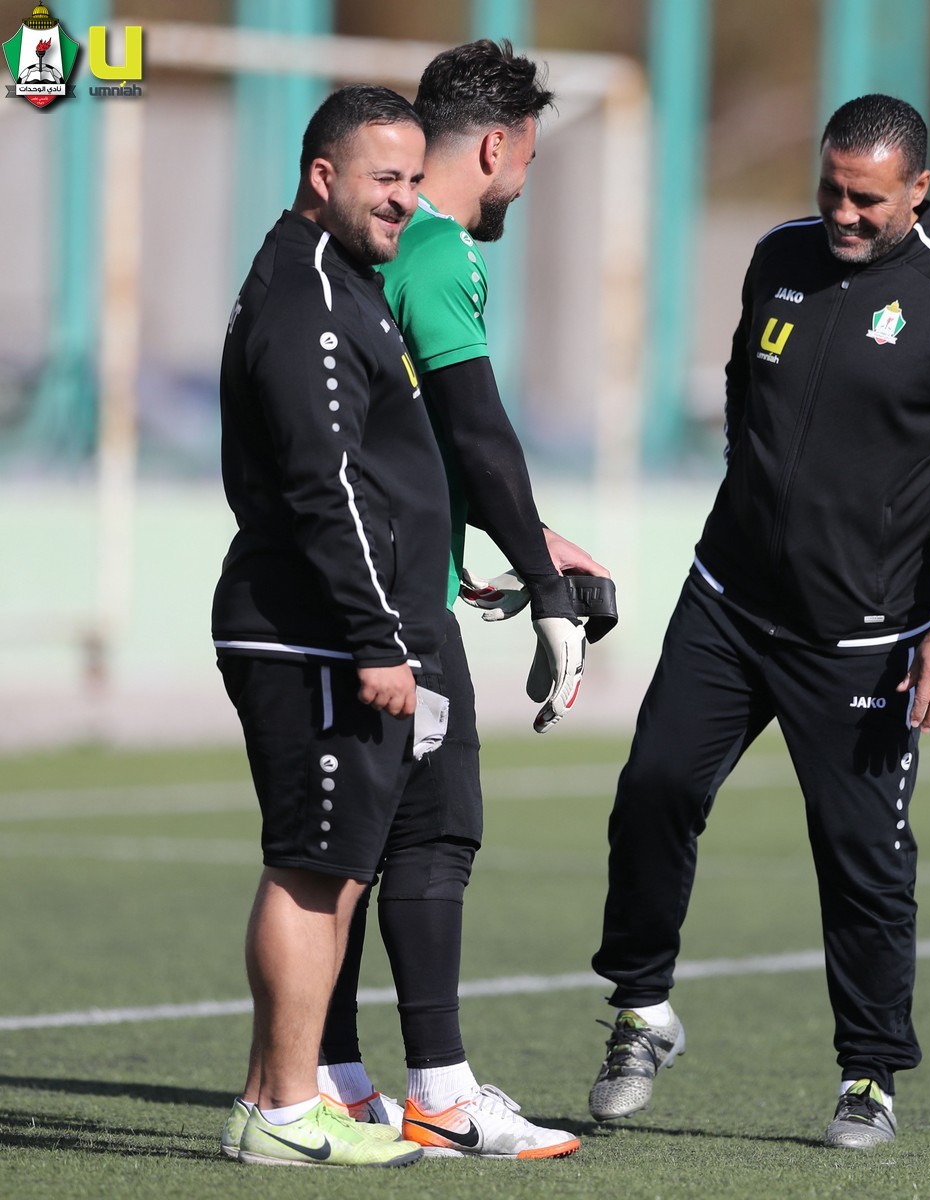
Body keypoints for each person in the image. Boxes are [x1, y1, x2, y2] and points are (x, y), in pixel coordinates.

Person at [586, 94, 930, 1149]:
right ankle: (641, 1010)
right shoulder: (778, 255)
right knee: (654, 786)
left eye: (866, 199)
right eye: (830, 189)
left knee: (860, 855)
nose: (842, 213)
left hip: (865, 643)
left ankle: (868, 1075)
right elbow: (747, 394)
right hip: (728, 602)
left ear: (917, 189)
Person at [313, 41, 609, 1160]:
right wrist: (547, 587)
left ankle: (334, 1079)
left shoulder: (338, 251)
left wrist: (515, 539)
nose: (522, 184)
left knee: (344, 844)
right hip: (394, 601)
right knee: (435, 832)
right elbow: (476, 429)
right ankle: (438, 1092)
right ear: (496, 146)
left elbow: (413, 438)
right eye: (526, 160)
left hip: (348, 576)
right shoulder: (437, 251)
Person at [211, 85, 447, 1169]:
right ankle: (283, 1112)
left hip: (331, 628)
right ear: (324, 176)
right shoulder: (308, 294)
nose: (404, 200)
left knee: (338, 868)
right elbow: (327, 484)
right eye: (383, 178)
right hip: (310, 632)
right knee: (311, 867)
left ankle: (280, 1099)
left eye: (414, 179)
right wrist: (377, 637)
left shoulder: (342, 282)